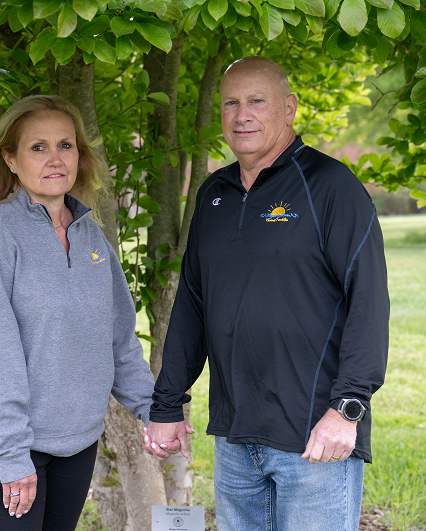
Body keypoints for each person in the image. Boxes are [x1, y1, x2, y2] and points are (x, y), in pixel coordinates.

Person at [143, 56, 389, 531]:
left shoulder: (332, 187)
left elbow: (369, 304)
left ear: (290, 107)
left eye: (257, 101)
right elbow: (194, 303)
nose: (242, 114)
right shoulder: (213, 194)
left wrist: (348, 409)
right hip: (236, 438)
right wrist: (167, 404)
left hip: (315, 436)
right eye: (230, 103)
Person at [0, 95, 155, 530]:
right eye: (37, 147)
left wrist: (153, 410)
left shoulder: (92, 239)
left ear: (80, 156)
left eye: (66, 145)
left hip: (75, 444)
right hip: (0, 448)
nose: (55, 158)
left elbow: (118, 340)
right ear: (10, 159)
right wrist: (10, 454)